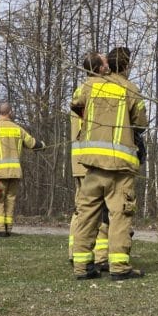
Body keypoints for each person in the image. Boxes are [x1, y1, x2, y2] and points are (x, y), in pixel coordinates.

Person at [70, 46, 148, 281]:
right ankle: (119, 267)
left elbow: (75, 103)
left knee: (87, 215)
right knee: (120, 216)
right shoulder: (131, 90)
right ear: (125, 67)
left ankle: (82, 267)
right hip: (119, 167)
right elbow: (141, 124)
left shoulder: (90, 85)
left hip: (91, 164)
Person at [67, 51, 110, 268]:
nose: (108, 64)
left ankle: (76, 252)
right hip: (92, 160)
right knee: (98, 210)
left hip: (80, 159)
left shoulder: (81, 90)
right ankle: (101, 256)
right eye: (105, 62)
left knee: (81, 209)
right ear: (100, 68)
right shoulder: (96, 90)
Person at [0, 102, 46, 237]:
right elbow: (32, 143)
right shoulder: (18, 129)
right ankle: (7, 228)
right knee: (10, 200)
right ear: (10, 112)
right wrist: (43, 145)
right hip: (15, 172)